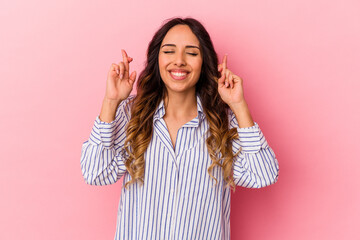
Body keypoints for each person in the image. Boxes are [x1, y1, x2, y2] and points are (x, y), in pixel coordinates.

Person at [81, 17, 279, 240]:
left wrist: (238, 105)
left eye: (192, 53)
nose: (179, 61)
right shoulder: (132, 114)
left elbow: (263, 175)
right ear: (157, 59)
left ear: (204, 62)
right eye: (169, 51)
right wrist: (111, 101)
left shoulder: (221, 121)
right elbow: (95, 173)